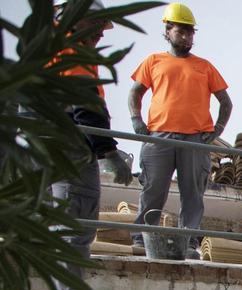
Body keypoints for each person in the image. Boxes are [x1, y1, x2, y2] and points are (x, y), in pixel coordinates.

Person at [127, 2, 232, 258]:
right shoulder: (154, 61)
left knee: (193, 193)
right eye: (180, 31)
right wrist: (136, 121)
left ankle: (189, 243)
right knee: (153, 189)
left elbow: (226, 102)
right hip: (159, 137)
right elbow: (135, 92)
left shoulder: (204, 66)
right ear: (168, 31)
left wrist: (216, 130)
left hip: (195, 140)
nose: (186, 37)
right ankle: (143, 238)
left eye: (190, 32)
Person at [52, 0, 134, 265]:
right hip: (70, 146)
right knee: (76, 225)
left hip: (46, 144)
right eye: (98, 24)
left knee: (54, 226)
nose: (101, 32)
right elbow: (86, 102)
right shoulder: (74, 49)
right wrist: (108, 152)